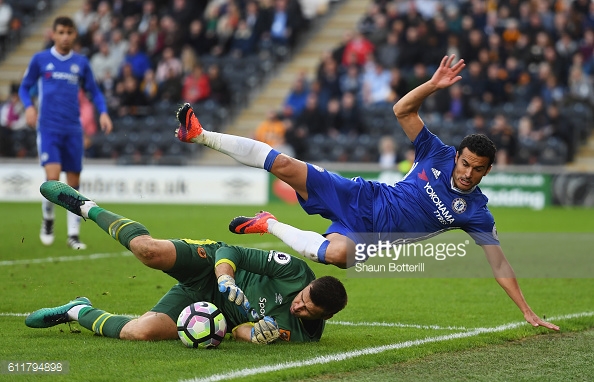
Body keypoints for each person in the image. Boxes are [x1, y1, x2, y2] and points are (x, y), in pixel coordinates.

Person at [174, 54, 559, 332]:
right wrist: (432, 85)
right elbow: (402, 111)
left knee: (338, 256)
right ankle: (200, 134)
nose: (467, 173)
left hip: (370, 236)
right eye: (465, 164)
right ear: (457, 156)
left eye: (478, 169)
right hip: (363, 196)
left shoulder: (476, 212)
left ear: (488, 170)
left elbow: (500, 264)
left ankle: (269, 223)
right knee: (287, 166)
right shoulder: (436, 153)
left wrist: (526, 310)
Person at [25, 181, 347, 344]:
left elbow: (241, 332)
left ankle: (75, 310)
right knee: (148, 251)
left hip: (208, 307)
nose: (298, 307)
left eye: (307, 311)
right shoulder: (295, 272)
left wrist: (256, 335)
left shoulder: (305, 336)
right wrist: (226, 279)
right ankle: (86, 207)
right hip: (212, 266)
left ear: (325, 316)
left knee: (142, 332)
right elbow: (233, 252)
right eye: (302, 299)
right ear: (307, 286)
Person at [19, 16, 113, 250]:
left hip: (73, 130)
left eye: (69, 32)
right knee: (52, 180)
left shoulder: (80, 63)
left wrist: (103, 112)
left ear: (74, 35)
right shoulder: (41, 59)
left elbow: (95, 92)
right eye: (60, 32)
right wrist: (29, 107)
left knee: (74, 183)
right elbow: (23, 87)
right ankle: (48, 218)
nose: (65, 36)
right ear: (53, 34)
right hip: (49, 128)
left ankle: (73, 234)